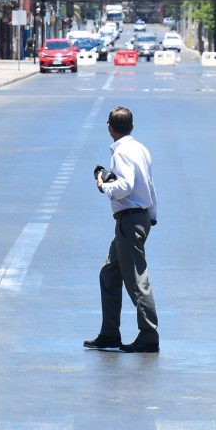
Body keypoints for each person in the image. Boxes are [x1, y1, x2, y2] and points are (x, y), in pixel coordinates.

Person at [84, 107, 159, 353]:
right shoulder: (140, 148)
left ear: (110, 127)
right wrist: (152, 215)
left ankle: (148, 335)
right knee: (109, 274)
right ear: (132, 126)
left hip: (129, 219)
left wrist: (103, 185)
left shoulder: (122, 152)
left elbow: (126, 186)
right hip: (137, 218)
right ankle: (109, 333)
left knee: (136, 280)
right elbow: (148, 183)